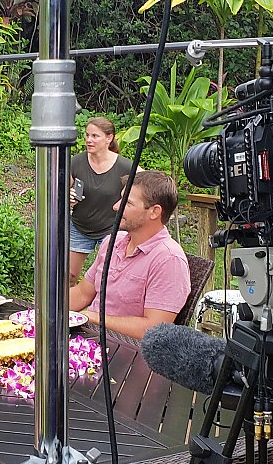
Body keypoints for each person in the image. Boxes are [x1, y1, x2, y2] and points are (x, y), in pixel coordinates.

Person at [69, 171, 192, 340]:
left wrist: (91, 318)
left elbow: (153, 329)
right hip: (88, 338)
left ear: (154, 212)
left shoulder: (169, 260)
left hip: (125, 355)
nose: (116, 206)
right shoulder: (113, 242)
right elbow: (83, 293)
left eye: (127, 203)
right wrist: (43, 310)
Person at [69, 117, 133, 285]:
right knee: (69, 276)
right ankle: (65, 309)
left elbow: (148, 187)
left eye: (95, 136)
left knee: (109, 278)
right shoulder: (76, 162)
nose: (89, 140)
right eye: (87, 135)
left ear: (109, 138)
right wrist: (68, 197)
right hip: (80, 226)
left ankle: (102, 309)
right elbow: (60, 190)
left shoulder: (125, 166)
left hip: (111, 229)